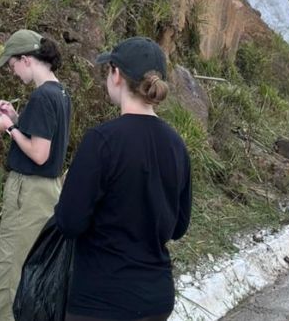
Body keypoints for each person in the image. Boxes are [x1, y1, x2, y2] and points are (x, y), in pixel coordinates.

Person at [55, 36, 192, 321]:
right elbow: (178, 226)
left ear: (116, 74)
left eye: (108, 70)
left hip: (101, 300)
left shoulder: (102, 141)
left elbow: (69, 222)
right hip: (156, 299)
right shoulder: (176, 145)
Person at [0, 29, 72, 321]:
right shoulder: (60, 93)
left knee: (11, 273)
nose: (13, 73)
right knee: (31, 270)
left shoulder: (41, 96)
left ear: (26, 59)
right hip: (48, 192)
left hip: (29, 193)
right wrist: (17, 120)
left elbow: (38, 153)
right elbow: (44, 139)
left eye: (12, 65)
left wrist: (7, 129)